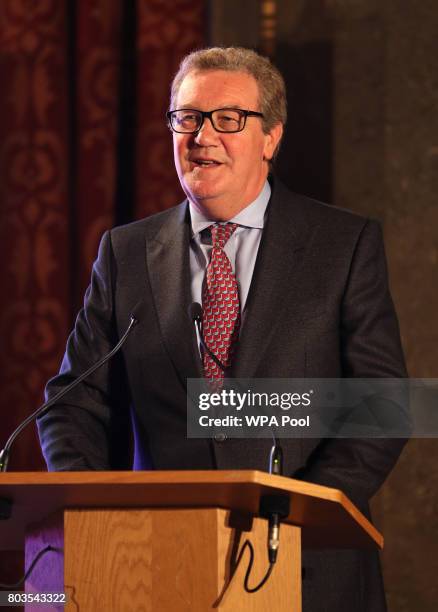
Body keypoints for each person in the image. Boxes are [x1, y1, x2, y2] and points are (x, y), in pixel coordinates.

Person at [38, 47, 407, 611]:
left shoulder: (342, 245)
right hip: (156, 566)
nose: (203, 136)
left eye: (228, 119)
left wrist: (295, 512)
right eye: (187, 118)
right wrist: (97, 509)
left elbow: (383, 404)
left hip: (308, 570)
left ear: (271, 137)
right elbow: (72, 404)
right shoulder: (126, 252)